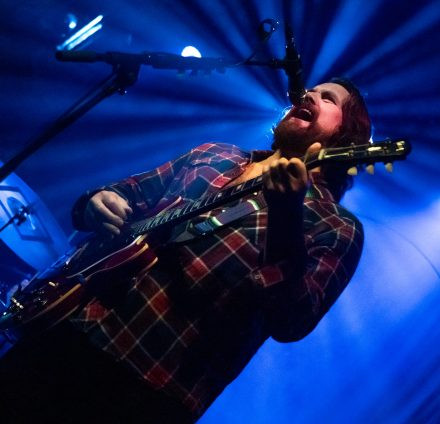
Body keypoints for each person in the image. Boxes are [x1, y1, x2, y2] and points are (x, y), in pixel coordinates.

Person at [0, 78, 371, 423]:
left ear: (349, 138)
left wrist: (286, 217)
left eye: (328, 99)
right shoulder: (213, 154)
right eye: (310, 90)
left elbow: (292, 321)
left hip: (149, 386)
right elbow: (125, 193)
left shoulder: (335, 225)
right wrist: (96, 200)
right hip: (69, 325)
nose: (308, 95)